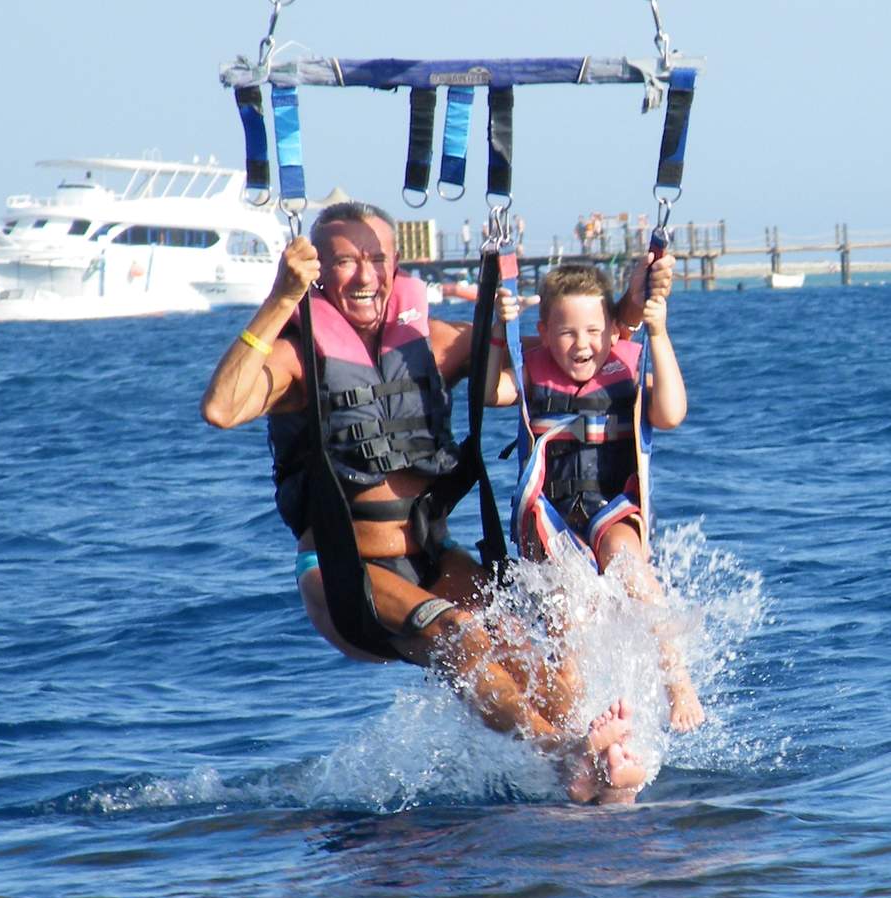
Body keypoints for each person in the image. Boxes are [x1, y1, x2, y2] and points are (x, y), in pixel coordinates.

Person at [200, 202, 670, 802]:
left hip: (431, 557)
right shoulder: (298, 359)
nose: (364, 275)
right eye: (344, 261)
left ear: (397, 266)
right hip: (345, 572)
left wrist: (631, 305)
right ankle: (564, 754)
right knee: (460, 633)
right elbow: (221, 408)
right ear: (317, 272)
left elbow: (567, 351)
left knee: (525, 646)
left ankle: (595, 771)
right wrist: (281, 299)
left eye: (376, 259)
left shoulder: (433, 343)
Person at [484, 263, 706, 732]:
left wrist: (659, 334)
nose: (582, 344)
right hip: (550, 517)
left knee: (629, 564)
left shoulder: (627, 366)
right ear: (545, 332)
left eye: (593, 331)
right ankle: (577, 726)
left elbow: (671, 414)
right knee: (566, 617)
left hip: (612, 506)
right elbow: (489, 392)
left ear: (613, 330)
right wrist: (500, 331)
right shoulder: (531, 370)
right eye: (567, 333)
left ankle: (677, 679)